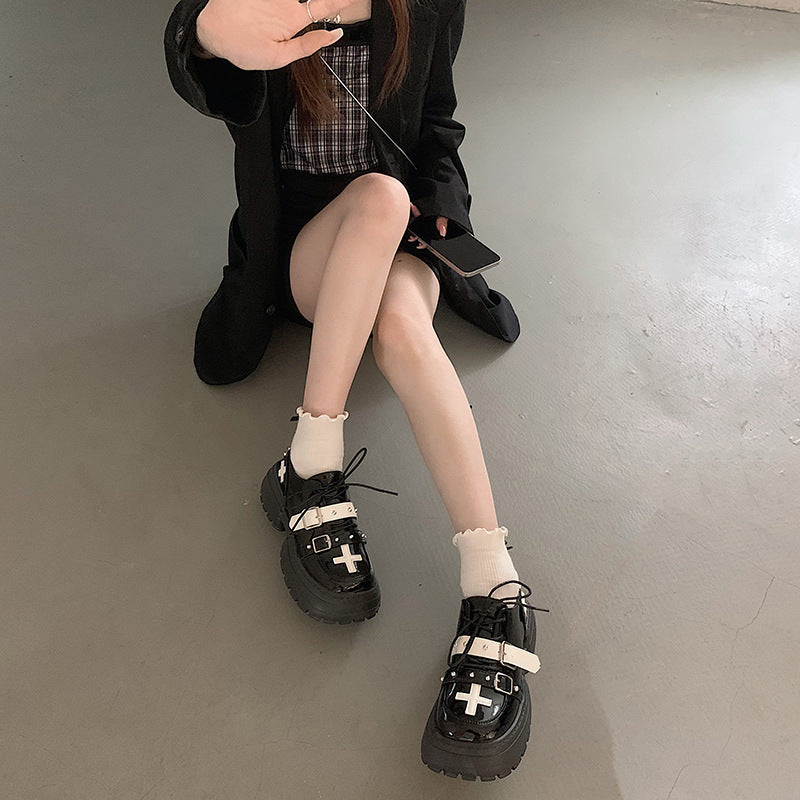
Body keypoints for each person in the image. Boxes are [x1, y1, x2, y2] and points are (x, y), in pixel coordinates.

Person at [164, 0, 547, 780]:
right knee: (375, 197)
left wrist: (446, 212)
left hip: (403, 235)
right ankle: (314, 453)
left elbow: (437, 123)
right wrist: (203, 32)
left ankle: (492, 579)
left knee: (404, 325)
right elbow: (201, 57)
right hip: (312, 253)